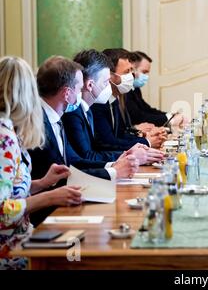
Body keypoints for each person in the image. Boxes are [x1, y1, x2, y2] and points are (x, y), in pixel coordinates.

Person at [28, 56, 139, 225]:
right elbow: (61, 177)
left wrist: (114, 164)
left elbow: (73, 162)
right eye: (79, 89)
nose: (81, 95)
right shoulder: (37, 123)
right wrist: (114, 172)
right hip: (42, 217)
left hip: (62, 205)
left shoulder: (55, 117)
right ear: (66, 93)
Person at [0, 57, 83, 269]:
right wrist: (50, 196)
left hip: (20, 238)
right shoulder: (4, 137)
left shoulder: (10, 129)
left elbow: (8, 189)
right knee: (79, 256)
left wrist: (42, 183)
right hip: (11, 250)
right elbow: (3, 210)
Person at [62, 49, 164, 164]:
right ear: (90, 84)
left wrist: (135, 149)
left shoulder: (87, 110)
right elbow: (89, 154)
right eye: (106, 82)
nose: (109, 86)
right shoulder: (75, 112)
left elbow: (101, 147)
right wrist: (130, 155)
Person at [91, 49, 165, 150]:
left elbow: (121, 134)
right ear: (110, 76)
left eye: (131, 70)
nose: (132, 76)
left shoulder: (115, 99)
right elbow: (108, 142)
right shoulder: (99, 103)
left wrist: (144, 136)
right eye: (127, 72)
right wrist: (147, 142)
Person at [126, 51, 186, 130]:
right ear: (133, 69)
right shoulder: (125, 90)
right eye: (144, 72)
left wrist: (170, 115)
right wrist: (169, 119)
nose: (146, 76)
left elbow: (147, 109)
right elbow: (139, 117)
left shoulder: (135, 88)